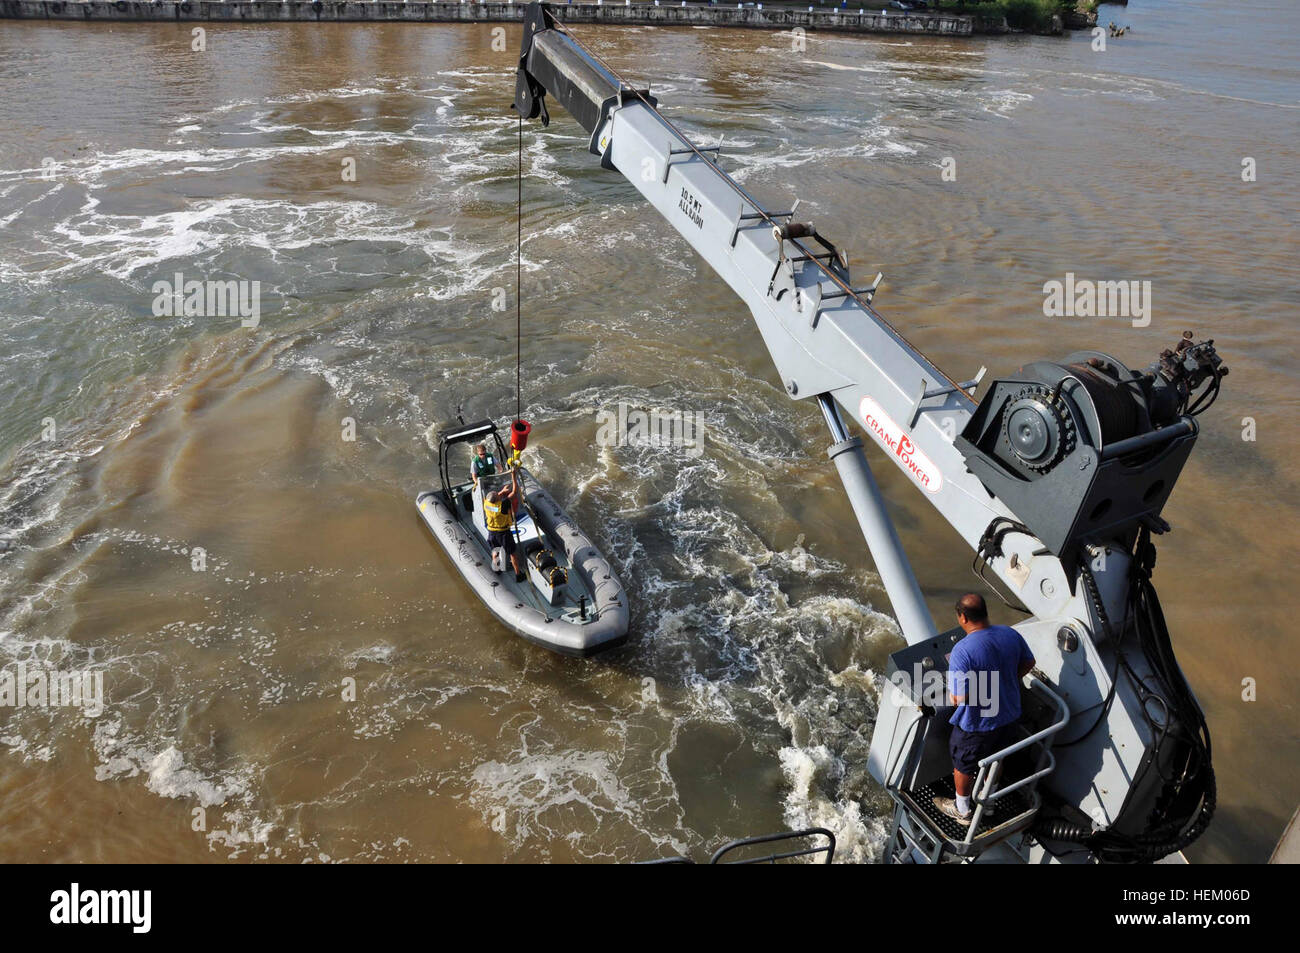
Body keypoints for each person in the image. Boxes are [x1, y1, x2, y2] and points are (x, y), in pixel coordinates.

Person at [933, 593, 1036, 827]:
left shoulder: (962, 650)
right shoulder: (1009, 633)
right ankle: (989, 803)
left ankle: (962, 811)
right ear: (985, 612)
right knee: (996, 760)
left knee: (964, 764)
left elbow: (959, 698)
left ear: (962, 617)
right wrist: (1006, 680)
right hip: (1009, 714)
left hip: (978, 724)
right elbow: (1029, 663)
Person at [483, 469, 525, 582]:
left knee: (495, 551)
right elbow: (514, 492)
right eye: (498, 495)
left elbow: (493, 498)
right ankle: (518, 574)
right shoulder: (503, 505)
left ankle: (497, 569)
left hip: (492, 533)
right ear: (498, 499)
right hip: (504, 533)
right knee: (512, 553)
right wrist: (513, 477)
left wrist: (501, 492)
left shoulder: (486, 504)